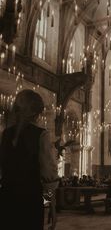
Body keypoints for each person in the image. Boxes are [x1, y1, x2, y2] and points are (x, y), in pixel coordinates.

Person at [0, 90, 58, 230]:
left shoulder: (5, 135)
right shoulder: (41, 135)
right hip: (30, 201)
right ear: (36, 113)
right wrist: (52, 208)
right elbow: (48, 179)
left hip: (6, 200)